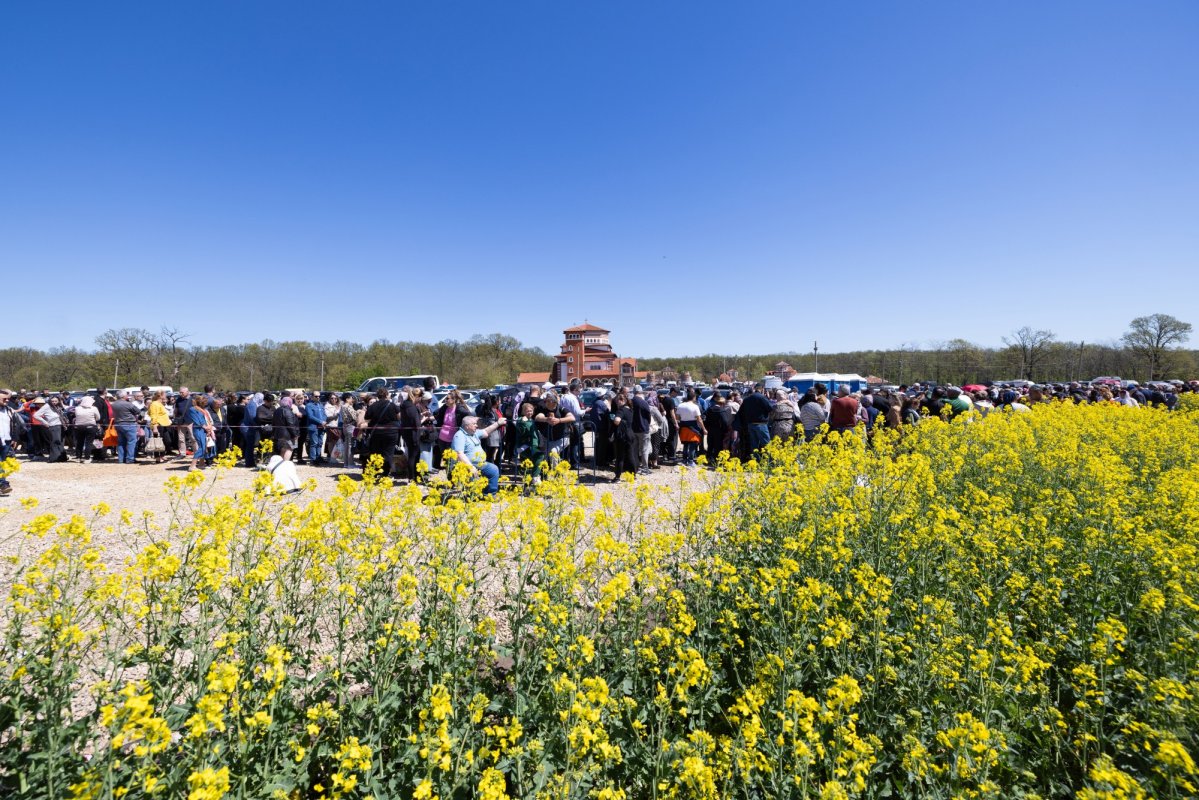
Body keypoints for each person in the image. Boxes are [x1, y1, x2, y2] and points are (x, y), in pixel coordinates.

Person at [449, 415, 506, 496]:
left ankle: (489, 495)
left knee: (493, 469)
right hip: (466, 466)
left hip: (480, 464)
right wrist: (470, 467)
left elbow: (486, 431)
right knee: (472, 490)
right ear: (467, 426)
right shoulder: (459, 436)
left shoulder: (473, 433)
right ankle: (471, 496)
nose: (477, 425)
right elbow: (459, 453)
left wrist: (498, 423)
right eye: (474, 424)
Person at [363, 387, 400, 478]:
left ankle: (376, 471)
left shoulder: (373, 406)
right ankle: (386, 473)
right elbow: (399, 417)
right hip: (391, 432)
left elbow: (366, 418)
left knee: (376, 453)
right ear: (387, 395)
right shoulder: (392, 405)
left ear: (377, 396)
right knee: (388, 453)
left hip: (377, 433)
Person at [534, 392, 576, 465]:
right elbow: (538, 417)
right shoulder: (544, 409)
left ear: (555, 402)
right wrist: (547, 419)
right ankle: (545, 474)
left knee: (553, 453)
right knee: (544, 457)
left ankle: (555, 473)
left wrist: (559, 420)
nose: (547, 403)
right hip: (547, 439)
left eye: (549, 400)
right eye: (546, 401)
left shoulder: (561, 409)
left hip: (561, 438)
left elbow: (572, 417)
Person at [734, 384, 773, 456]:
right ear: (762, 389)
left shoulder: (747, 399)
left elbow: (742, 411)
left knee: (754, 445)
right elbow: (770, 408)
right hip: (761, 424)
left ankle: (756, 461)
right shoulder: (762, 397)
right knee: (766, 444)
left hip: (750, 424)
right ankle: (769, 461)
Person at [513, 402, 546, 483]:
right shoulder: (521, 420)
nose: (530, 412)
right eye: (527, 411)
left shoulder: (531, 420)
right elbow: (523, 430)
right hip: (524, 446)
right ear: (523, 411)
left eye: (531, 411)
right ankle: (535, 477)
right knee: (539, 456)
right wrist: (523, 422)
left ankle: (531, 478)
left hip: (531, 445)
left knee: (532, 461)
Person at [675, 388, 707, 466]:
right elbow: (699, 419)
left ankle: (684, 460)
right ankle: (690, 461)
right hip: (693, 427)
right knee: (693, 445)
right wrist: (704, 429)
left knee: (685, 444)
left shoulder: (680, 405)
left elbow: (677, 418)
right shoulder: (695, 406)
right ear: (694, 398)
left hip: (683, 427)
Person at [108, 390, 142, 464]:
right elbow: (138, 411)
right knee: (131, 442)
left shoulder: (113, 404)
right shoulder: (128, 404)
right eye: (126, 395)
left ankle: (121, 459)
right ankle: (130, 459)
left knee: (121, 442)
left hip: (118, 424)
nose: (127, 396)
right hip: (129, 424)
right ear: (123, 396)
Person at [608, 393, 636, 480]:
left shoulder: (621, 410)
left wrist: (613, 420)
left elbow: (616, 421)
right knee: (630, 455)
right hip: (630, 434)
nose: (617, 403)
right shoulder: (630, 409)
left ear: (623, 401)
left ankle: (617, 477)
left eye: (618, 401)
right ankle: (633, 475)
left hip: (622, 436)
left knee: (620, 457)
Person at [34, 396, 69, 463]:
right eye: (52, 401)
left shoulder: (58, 407)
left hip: (61, 426)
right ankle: (54, 458)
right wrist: (45, 422)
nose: (54, 402)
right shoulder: (47, 406)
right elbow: (36, 415)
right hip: (53, 426)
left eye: (56, 401)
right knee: (55, 442)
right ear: (50, 401)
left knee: (61, 442)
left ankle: (62, 457)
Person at [187, 395, 215, 471]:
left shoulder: (202, 409)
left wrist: (208, 429)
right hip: (198, 429)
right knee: (201, 447)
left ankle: (201, 464)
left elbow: (204, 420)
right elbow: (197, 420)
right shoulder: (193, 409)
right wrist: (205, 427)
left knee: (204, 446)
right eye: (205, 402)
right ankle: (192, 466)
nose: (206, 403)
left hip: (203, 429)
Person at [703, 393, 733, 464]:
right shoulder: (722, 411)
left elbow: (705, 418)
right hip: (719, 431)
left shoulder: (709, 409)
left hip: (710, 430)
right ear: (722, 403)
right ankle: (716, 460)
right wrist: (725, 430)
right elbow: (725, 422)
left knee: (710, 445)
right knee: (718, 446)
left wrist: (706, 427)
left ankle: (708, 458)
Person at [73, 395, 103, 462]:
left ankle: (78, 457)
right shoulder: (94, 408)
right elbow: (98, 417)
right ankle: (87, 457)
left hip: (79, 427)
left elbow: (76, 416)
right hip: (90, 427)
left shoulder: (77, 408)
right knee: (89, 443)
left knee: (79, 442)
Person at [630, 386, 652, 475]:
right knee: (644, 449)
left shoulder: (630, 402)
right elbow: (648, 415)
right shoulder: (643, 402)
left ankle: (636, 467)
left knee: (635, 448)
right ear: (640, 392)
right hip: (643, 428)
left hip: (633, 428)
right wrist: (647, 424)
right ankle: (645, 468)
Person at [272, 394, 300, 462]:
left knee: (282, 450)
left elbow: (273, 422)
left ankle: (279, 464)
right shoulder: (288, 411)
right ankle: (285, 464)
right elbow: (290, 424)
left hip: (278, 434)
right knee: (289, 449)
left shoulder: (277, 410)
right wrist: (295, 434)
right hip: (288, 435)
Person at [146, 390, 172, 464]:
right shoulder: (154, 404)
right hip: (158, 425)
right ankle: (157, 458)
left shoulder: (160, 403)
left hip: (164, 424)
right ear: (160, 396)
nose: (165, 396)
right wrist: (154, 427)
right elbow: (153, 415)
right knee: (157, 442)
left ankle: (162, 455)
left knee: (167, 441)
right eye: (164, 395)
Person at [0, 389, 18, 495]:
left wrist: (14, 438)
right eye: (4, 399)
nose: (7, 400)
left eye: (8, 399)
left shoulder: (8, 410)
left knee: (2, 462)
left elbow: (14, 425)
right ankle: (3, 484)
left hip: (6, 440)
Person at [304, 393, 327, 466]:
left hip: (321, 427)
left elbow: (324, 414)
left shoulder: (320, 405)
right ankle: (313, 459)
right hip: (313, 427)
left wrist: (324, 421)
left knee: (320, 443)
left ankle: (318, 457)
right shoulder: (309, 405)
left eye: (319, 396)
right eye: (316, 396)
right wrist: (320, 422)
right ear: (312, 397)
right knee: (314, 443)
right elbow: (310, 416)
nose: (318, 397)